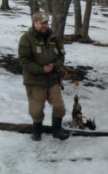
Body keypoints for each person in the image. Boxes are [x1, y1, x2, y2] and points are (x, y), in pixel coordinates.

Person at [18, 11, 70, 141]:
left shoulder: (54, 37)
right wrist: (41, 69)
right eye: (42, 23)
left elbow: (61, 56)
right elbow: (24, 60)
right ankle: (37, 131)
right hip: (35, 81)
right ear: (35, 23)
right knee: (36, 111)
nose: (45, 25)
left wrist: (54, 65)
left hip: (52, 79)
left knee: (59, 107)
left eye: (46, 22)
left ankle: (57, 130)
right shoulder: (26, 38)